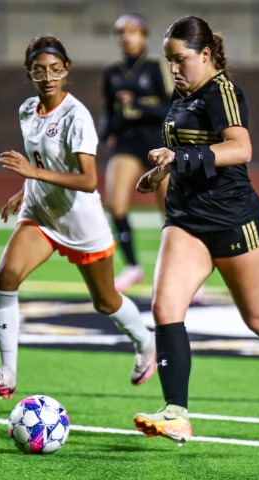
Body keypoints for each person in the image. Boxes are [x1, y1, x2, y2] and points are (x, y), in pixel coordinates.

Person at [132, 16, 259, 444]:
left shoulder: (222, 91)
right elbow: (185, 152)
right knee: (165, 309)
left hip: (234, 222)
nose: (173, 69)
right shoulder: (183, 94)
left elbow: (240, 148)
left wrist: (180, 159)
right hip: (186, 220)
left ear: (205, 54)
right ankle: (176, 414)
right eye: (168, 61)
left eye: (180, 59)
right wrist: (160, 172)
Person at [0, 35, 156, 399]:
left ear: (66, 70)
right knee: (6, 277)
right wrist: (25, 190)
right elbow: (43, 162)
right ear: (28, 73)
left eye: (55, 69)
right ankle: (7, 372)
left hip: (79, 219)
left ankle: (145, 342)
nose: (48, 77)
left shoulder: (77, 116)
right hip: (41, 212)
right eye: (39, 70)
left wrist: (31, 174)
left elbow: (88, 181)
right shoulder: (27, 110)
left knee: (106, 301)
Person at [100, 14, 175, 293]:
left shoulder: (156, 66)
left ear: (143, 35)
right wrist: (106, 131)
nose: (126, 37)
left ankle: (181, 271)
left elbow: (172, 106)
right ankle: (132, 266)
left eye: (131, 31)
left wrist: (138, 106)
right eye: (120, 32)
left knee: (170, 210)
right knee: (115, 204)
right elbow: (108, 109)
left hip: (158, 142)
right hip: (127, 143)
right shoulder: (112, 71)